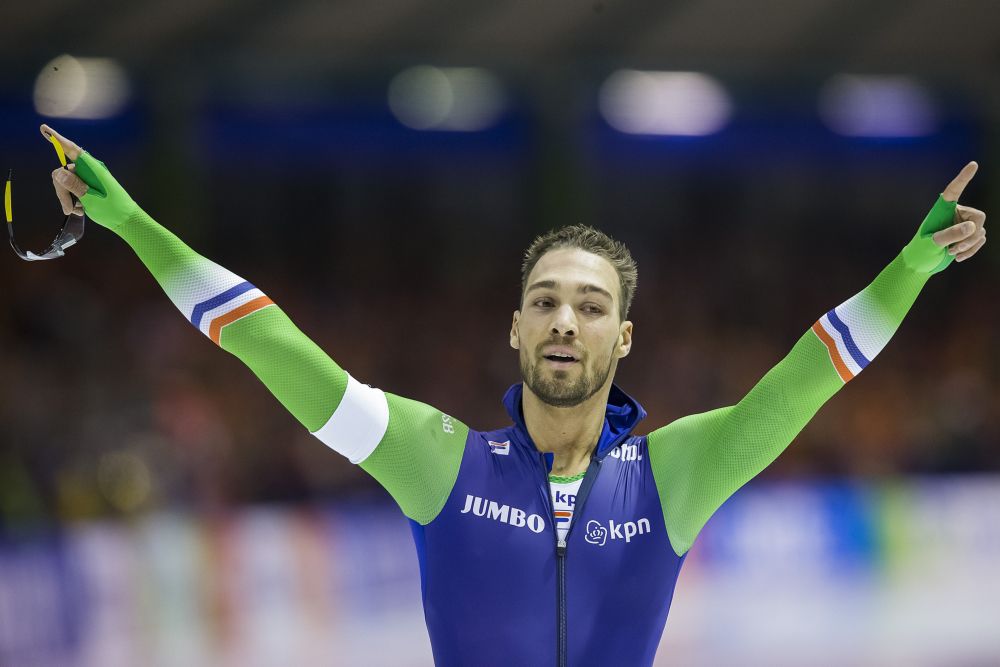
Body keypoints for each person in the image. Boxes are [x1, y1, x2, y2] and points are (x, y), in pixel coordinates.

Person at [42, 123, 987, 667]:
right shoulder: (437, 458)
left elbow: (810, 373)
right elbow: (271, 344)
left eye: (590, 305)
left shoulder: (676, 470)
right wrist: (129, 221)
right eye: (545, 302)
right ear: (515, 327)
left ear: (624, 336)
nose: (565, 321)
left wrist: (911, 264)